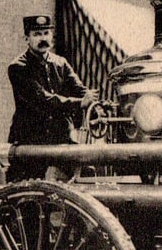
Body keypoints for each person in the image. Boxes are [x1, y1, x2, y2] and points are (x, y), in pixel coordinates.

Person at [6, 14, 98, 181]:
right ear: (27, 38)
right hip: (31, 145)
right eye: (37, 34)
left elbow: (80, 90)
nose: (43, 38)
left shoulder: (60, 63)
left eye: (46, 33)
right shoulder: (18, 67)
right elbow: (42, 100)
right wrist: (80, 103)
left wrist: (96, 106)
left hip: (60, 141)